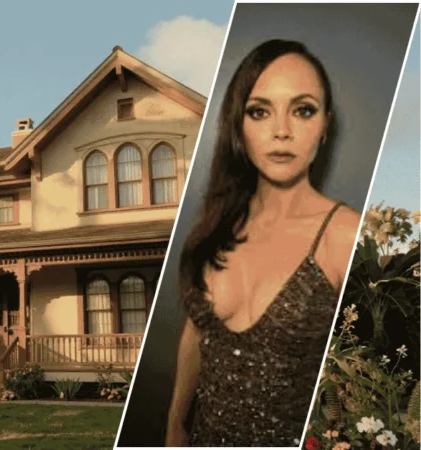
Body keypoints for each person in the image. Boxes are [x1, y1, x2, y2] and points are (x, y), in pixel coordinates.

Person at [164, 39, 361, 447]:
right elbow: (198, 332)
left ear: (325, 125)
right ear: (238, 125)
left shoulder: (344, 236)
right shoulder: (216, 227)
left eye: (303, 110)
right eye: (259, 111)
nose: (282, 131)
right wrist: (174, 424)